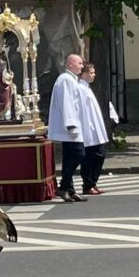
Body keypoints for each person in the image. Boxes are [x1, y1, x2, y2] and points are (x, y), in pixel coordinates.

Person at [48, 54, 87, 202]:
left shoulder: (71, 80)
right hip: (70, 127)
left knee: (69, 156)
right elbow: (67, 103)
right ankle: (64, 186)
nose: (81, 66)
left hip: (72, 125)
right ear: (70, 64)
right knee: (79, 154)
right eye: (79, 63)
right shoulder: (65, 80)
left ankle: (69, 189)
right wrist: (71, 123)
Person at [78, 62, 109, 196]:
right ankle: (88, 184)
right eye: (91, 72)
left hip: (95, 128)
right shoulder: (80, 89)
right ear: (83, 74)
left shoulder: (87, 88)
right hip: (88, 129)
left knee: (99, 154)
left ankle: (93, 182)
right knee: (90, 157)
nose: (94, 75)